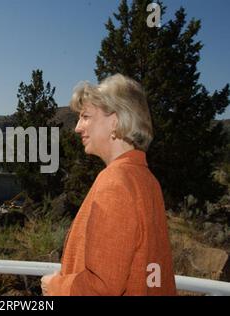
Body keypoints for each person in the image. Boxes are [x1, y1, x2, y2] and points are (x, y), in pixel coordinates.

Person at [41, 74, 176, 296]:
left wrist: (55, 286)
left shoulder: (116, 183)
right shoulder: (145, 179)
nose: (77, 128)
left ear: (115, 121)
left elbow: (102, 287)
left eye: (85, 117)